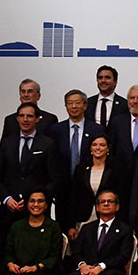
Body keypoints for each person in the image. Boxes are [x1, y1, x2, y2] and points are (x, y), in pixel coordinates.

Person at [0, 102, 60, 235]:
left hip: (37, 212)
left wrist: (38, 200)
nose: (25, 119)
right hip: (9, 211)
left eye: (29, 116)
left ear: (37, 119)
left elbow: (55, 179)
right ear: (17, 119)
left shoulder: (48, 144)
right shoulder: (7, 143)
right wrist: (7, 199)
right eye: (21, 116)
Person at [52, 89, 105, 221]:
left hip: (87, 190)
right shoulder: (55, 130)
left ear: (85, 105)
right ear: (66, 106)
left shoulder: (96, 129)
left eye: (77, 103)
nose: (73, 106)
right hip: (62, 190)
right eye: (70, 103)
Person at [65, 134, 129, 237]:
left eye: (102, 145)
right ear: (90, 148)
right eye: (94, 145)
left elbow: (122, 197)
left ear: (108, 148)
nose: (98, 148)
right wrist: (71, 225)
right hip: (84, 219)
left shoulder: (117, 169)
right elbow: (74, 197)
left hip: (108, 220)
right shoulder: (81, 169)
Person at [107, 84, 138, 170]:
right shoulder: (117, 122)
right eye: (132, 98)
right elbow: (111, 149)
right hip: (121, 174)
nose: (135, 101)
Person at [86, 65, 123, 130]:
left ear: (115, 82)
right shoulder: (87, 103)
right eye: (100, 78)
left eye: (107, 77)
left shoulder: (124, 105)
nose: (103, 80)